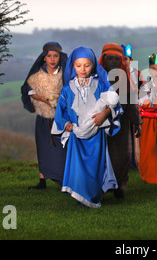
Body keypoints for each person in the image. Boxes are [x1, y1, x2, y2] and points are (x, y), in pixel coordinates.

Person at [52, 46, 120, 208]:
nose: (83, 69)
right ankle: (80, 194)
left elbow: (114, 102)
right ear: (73, 67)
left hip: (96, 135)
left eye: (87, 65)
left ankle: (93, 195)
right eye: (78, 65)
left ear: (93, 65)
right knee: (79, 167)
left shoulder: (101, 85)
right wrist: (66, 123)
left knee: (95, 166)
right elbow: (61, 110)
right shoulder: (68, 88)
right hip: (76, 133)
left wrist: (105, 113)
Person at [21, 41, 68, 190]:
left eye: (55, 56)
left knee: (62, 149)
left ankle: (64, 179)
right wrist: (43, 99)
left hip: (60, 118)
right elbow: (29, 90)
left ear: (60, 57)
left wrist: (59, 99)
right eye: (49, 56)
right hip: (43, 118)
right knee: (43, 148)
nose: (52, 59)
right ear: (44, 58)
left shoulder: (64, 74)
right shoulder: (37, 75)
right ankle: (42, 181)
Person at [99, 43, 142, 199]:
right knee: (101, 158)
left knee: (122, 158)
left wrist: (137, 122)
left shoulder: (125, 79)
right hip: (100, 127)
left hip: (122, 127)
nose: (112, 62)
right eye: (109, 59)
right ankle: (101, 189)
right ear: (103, 60)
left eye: (116, 59)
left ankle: (120, 186)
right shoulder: (96, 79)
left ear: (121, 61)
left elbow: (131, 103)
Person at [138, 53, 157, 184]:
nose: (156, 73)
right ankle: (148, 175)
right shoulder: (145, 87)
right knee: (147, 149)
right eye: (153, 69)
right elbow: (140, 102)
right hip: (147, 124)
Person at [121, 44, 145, 168]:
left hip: (134, 108)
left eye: (126, 58)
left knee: (134, 135)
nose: (123, 61)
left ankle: (134, 161)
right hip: (121, 110)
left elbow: (144, 89)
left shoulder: (138, 74)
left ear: (131, 60)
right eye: (121, 58)